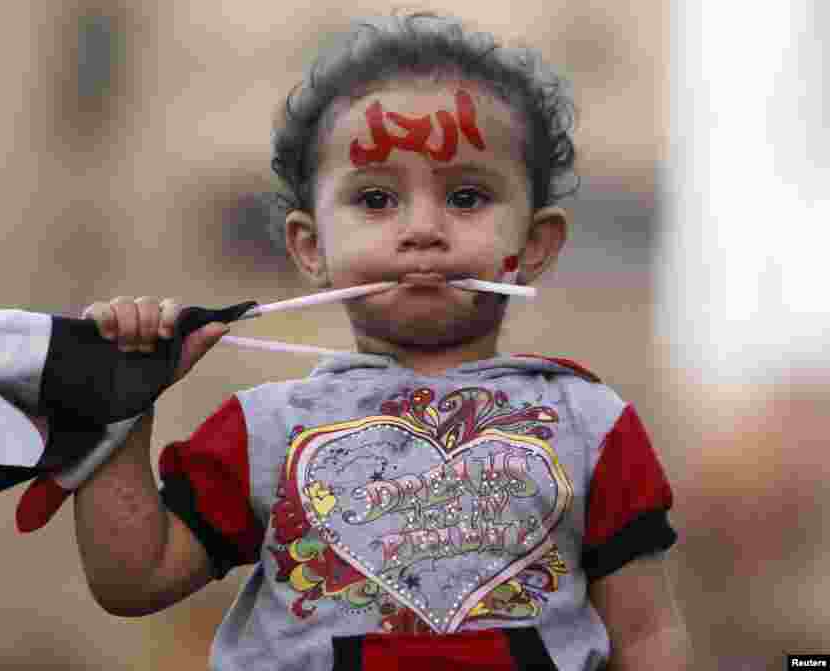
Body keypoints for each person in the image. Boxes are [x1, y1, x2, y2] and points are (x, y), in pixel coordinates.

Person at [74, 12, 690, 670]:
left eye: (467, 195)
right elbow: (134, 578)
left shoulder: (591, 425)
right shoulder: (266, 429)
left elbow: (647, 632)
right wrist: (120, 406)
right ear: (311, 248)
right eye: (375, 199)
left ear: (533, 245)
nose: (422, 228)